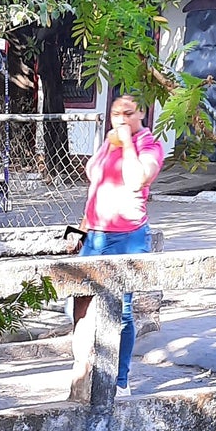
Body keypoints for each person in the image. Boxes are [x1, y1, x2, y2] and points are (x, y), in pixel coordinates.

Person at [79, 96, 166, 393]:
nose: (121, 119)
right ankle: (86, 371)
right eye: (116, 113)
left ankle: (121, 380)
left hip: (127, 235)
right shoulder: (109, 142)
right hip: (95, 234)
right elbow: (95, 182)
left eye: (128, 113)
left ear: (141, 114)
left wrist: (127, 143)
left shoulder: (149, 146)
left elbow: (134, 179)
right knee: (78, 304)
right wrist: (81, 230)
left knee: (122, 311)